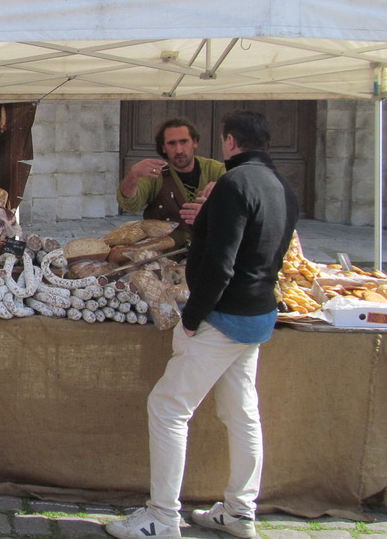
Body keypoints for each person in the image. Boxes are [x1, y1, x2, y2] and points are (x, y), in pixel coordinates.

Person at [106, 110, 299, 539]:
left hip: (224, 317)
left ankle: (162, 517)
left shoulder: (234, 184)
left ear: (229, 141)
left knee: (168, 407)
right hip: (258, 313)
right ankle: (239, 512)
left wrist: (192, 318)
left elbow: (220, 263)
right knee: (241, 413)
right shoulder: (282, 185)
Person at [117, 117, 225, 248]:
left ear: (195, 142)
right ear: (163, 148)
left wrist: (224, 191)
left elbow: (240, 204)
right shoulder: (155, 173)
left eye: (184, 142)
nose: (179, 150)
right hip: (166, 255)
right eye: (171, 143)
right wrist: (132, 176)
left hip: (209, 251)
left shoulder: (216, 170)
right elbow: (129, 203)